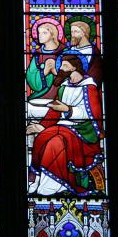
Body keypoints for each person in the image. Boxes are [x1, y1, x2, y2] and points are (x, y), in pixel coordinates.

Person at [27, 52, 105, 195]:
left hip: (83, 131)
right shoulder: (64, 87)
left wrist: (68, 110)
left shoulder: (89, 87)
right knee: (41, 137)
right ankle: (39, 179)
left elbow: (91, 114)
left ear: (74, 67)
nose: (60, 68)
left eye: (64, 65)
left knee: (55, 143)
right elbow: (55, 111)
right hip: (63, 127)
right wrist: (41, 126)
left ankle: (54, 184)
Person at [25, 19, 66, 100]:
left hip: (63, 94)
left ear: (53, 35)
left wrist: (55, 70)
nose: (40, 35)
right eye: (39, 33)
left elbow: (73, 73)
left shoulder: (65, 52)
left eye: (44, 33)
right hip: (40, 95)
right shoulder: (37, 54)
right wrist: (45, 71)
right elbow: (30, 75)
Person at [67, 19, 103, 87]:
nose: (72, 35)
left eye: (76, 31)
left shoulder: (93, 51)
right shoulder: (70, 50)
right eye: (71, 32)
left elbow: (96, 74)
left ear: (84, 33)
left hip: (86, 86)